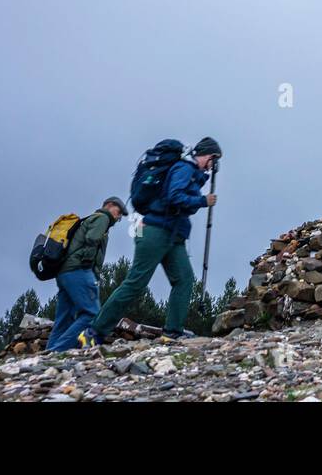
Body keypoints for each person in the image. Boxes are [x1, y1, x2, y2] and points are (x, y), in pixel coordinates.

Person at [78, 137, 220, 346]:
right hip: (156, 232)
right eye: (214, 159)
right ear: (208, 155)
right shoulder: (184, 168)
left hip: (172, 236)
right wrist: (202, 201)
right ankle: (93, 332)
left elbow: (179, 201)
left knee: (184, 279)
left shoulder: (192, 173)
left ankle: (172, 332)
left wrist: (197, 200)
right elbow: (174, 196)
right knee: (136, 283)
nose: (213, 165)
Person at [46, 197, 126, 352]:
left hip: (64, 273)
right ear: (109, 206)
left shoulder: (90, 219)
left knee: (63, 319)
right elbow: (92, 239)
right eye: (118, 212)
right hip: (79, 270)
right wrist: (88, 267)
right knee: (92, 314)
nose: (118, 217)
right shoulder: (103, 218)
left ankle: (47, 355)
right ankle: (57, 351)